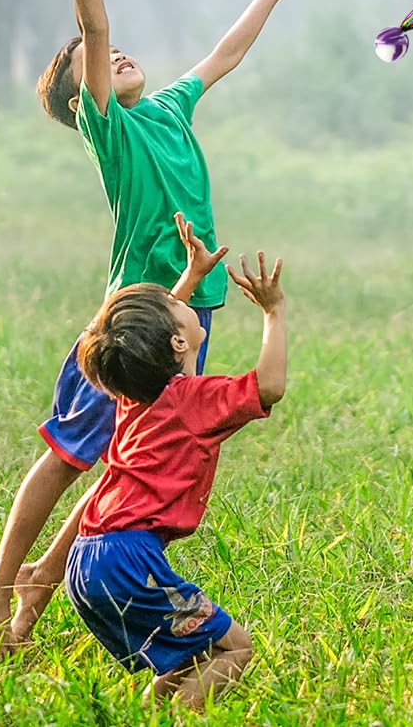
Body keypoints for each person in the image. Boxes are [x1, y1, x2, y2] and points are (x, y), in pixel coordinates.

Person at [0, 0, 311, 653]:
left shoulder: (166, 108)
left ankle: (33, 605)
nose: (115, 53)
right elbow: (92, 28)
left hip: (187, 315)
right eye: (94, 62)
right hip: (131, 319)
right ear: (78, 98)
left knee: (130, 466)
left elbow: (224, 55)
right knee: (67, 455)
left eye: (121, 50)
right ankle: (0, 589)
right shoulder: (112, 130)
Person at [65, 243, 286, 709]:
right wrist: (273, 311)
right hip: (129, 563)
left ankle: (150, 713)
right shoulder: (195, 402)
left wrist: (188, 279)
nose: (179, 299)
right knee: (236, 647)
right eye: (175, 304)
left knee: (185, 657)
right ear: (178, 342)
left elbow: (150, 342)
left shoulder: (133, 391)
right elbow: (269, 385)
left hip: (85, 560)